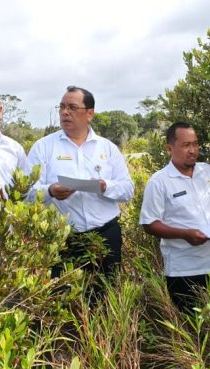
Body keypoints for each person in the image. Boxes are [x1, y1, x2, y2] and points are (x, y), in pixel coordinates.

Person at [27, 86, 134, 283]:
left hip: (105, 235)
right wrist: (50, 191)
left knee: (106, 293)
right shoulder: (43, 147)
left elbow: (128, 190)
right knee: (63, 297)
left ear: (90, 113)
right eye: (61, 107)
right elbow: (26, 193)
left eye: (72, 107)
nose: (65, 112)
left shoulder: (107, 148)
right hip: (62, 239)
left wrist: (104, 186)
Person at [140, 122, 210, 313]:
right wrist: (185, 234)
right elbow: (149, 224)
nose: (192, 150)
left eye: (195, 144)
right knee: (192, 329)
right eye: (186, 145)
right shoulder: (159, 182)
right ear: (170, 148)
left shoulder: (208, 171)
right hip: (184, 271)